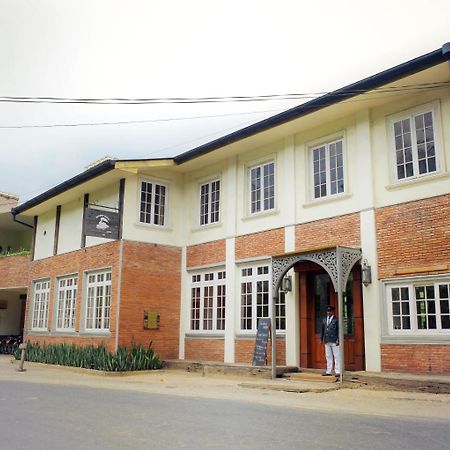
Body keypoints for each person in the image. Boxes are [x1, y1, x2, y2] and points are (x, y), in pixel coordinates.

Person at [320, 305, 340, 379]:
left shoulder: (336, 320)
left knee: (337, 356)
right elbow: (322, 330)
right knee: (328, 356)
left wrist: (338, 339)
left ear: (333, 312)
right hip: (327, 340)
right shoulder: (324, 320)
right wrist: (321, 339)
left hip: (334, 340)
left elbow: (339, 330)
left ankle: (338, 371)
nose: (328, 312)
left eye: (330, 311)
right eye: (328, 311)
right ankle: (329, 371)